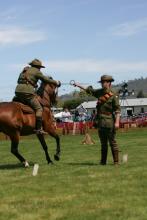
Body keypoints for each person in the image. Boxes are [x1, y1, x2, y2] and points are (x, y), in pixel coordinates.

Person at [14, 58, 60, 134]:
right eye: (40, 67)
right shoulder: (37, 71)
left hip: (18, 91)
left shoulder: (25, 70)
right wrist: (56, 82)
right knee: (39, 109)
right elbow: (45, 80)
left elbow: (18, 81)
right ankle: (39, 129)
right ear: (38, 67)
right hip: (27, 92)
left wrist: (33, 84)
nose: (40, 69)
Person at [85, 75, 120, 165]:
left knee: (112, 142)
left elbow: (117, 110)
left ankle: (116, 162)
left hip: (109, 122)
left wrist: (117, 122)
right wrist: (78, 85)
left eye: (104, 82)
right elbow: (90, 91)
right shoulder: (99, 92)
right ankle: (103, 162)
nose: (102, 84)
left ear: (109, 83)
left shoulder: (114, 95)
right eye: (102, 82)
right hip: (100, 122)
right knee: (103, 143)